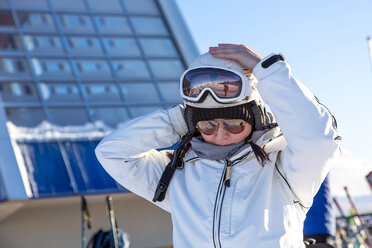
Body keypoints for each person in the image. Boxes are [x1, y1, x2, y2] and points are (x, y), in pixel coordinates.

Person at [95, 44, 341, 247]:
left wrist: (264, 70)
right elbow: (113, 153)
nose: (221, 135)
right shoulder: (177, 174)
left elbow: (319, 141)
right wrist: (181, 118)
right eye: (207, 126)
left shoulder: (283, 168)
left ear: (254, 120)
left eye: (234, 123)